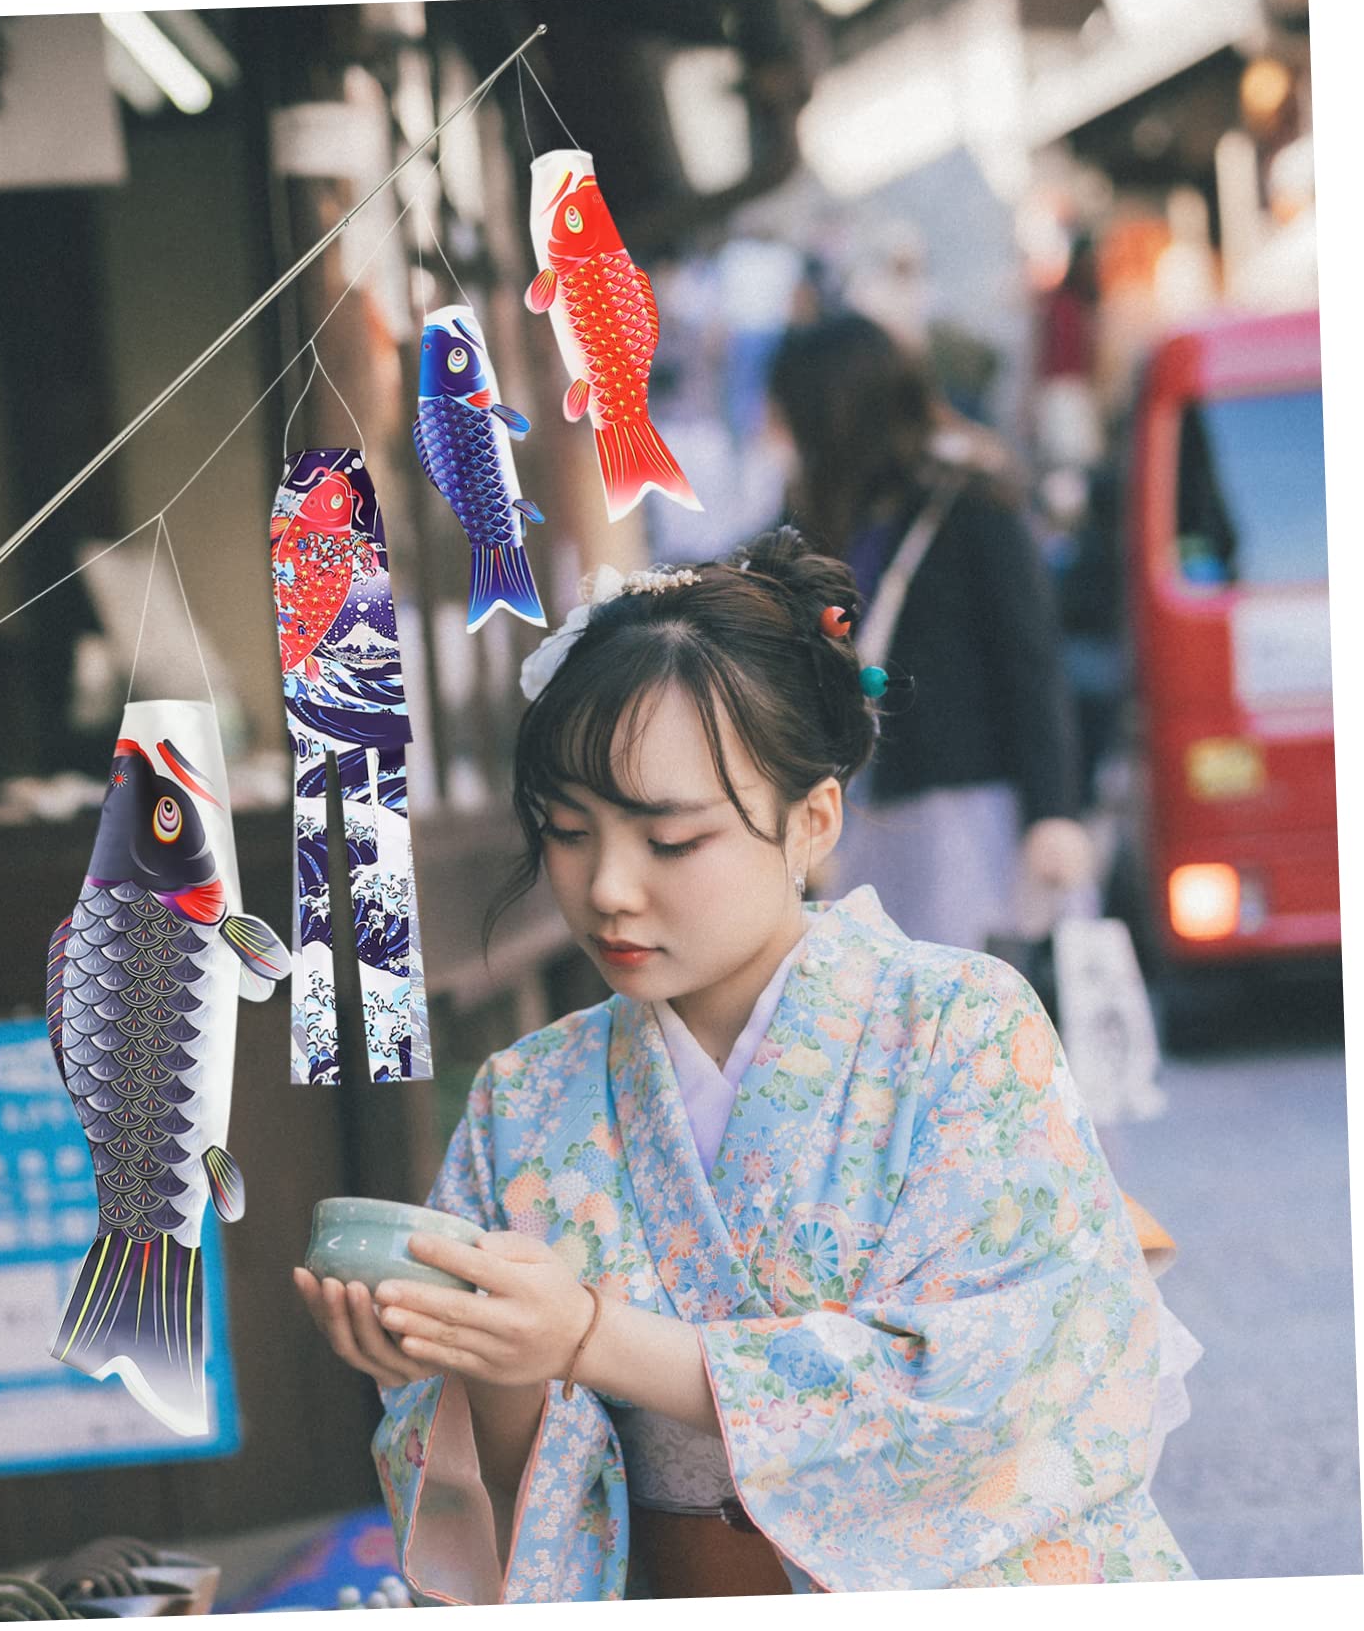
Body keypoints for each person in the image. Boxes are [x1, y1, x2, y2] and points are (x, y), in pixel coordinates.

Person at [292, 528, 1192, 1601]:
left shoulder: (961, 1025)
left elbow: (994, 1387)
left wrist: (590, 1335)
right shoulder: (523, 1098)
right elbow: (515, 1509)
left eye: (668, 841)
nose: (608, 887)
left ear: (811, 819)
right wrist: (489, 1368)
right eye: (569, 832)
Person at [766, 313, 1095, 950]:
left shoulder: (970, 509)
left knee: (968, 1011)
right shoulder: (812, 526)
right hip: (864, 817)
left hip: (968, 812)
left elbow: (1031, 666)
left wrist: (1054, 812)